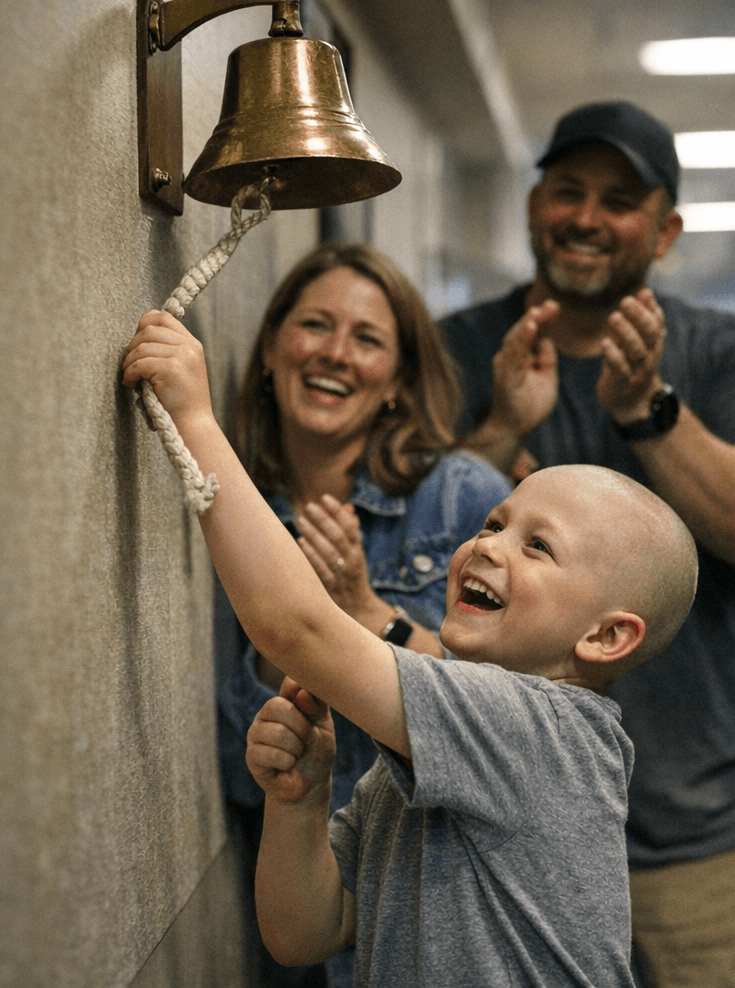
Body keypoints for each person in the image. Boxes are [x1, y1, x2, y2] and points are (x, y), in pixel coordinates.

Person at [124, 293, 700, 982]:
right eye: (493, 524)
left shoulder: (543, 729)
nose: (488, 547)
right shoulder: (420, 764)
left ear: (605, 638)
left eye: (538, 547)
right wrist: (301, 802)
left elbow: (295, 627)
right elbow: (304, 932)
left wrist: (193, 418)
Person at [436, 101, 735, 988]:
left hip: (698, 833)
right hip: (500, 828)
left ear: (665, 232)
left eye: (618, 200)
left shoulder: (719, 347)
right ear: (535, 201)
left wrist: (645, 407)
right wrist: (502, 427)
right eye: (568, 190)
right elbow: (416, 545)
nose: (585, 217)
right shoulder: (461, 350)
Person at [213, 243, 512, 988]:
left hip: (443, 919)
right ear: (274, 350)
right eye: (316, 325)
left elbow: (528, 721)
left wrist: (363, 612)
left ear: (397, 384)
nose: (337, 354)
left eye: (368, 338)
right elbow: (235, 772)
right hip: (299, 920)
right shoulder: (231, 514)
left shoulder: (464, 497)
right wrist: (289, 638)